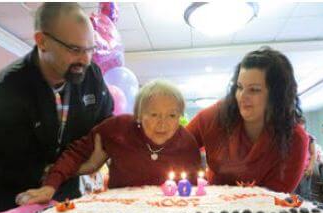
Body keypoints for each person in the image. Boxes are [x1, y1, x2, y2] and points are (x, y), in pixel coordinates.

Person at [0, 2, 114, 213]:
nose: (85, 59)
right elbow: (15, 168)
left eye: (90, 49)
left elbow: (105, 129)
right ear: (42, 41)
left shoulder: (92, 77)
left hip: (67, 194)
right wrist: (84, 167)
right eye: (74, 49)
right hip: (16, 200)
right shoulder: (6, 90)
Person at [18, 79, 200, 205]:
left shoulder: (187, 144)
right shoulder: (118, 128)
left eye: (172, 115)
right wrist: (51, 185)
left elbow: (190, 194)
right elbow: (76, 152)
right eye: (154, 115)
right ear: (138, 115)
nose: (163, 123)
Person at [187, 47, 309, 193]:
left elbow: (275, 199)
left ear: (277, 96)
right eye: (239, 87)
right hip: (213, 207)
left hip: (261, 212)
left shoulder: (294, 139)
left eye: (254, 90)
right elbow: (177, 145)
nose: (242, 96)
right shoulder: (216, 115)